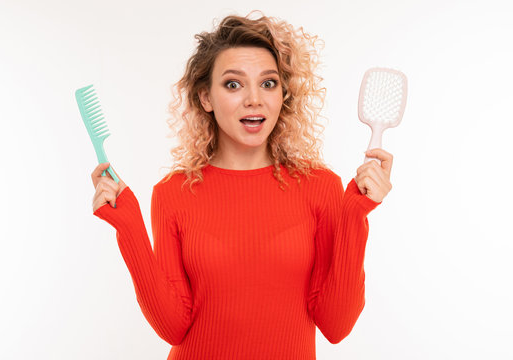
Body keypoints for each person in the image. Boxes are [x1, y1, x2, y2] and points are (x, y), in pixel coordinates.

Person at [91, 10, 393, 360]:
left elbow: (336, 326)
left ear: (283, 94)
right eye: (233, 84)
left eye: (268, 83)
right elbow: (172, 326)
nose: (254, 99)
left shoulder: (321, 188)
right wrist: (127, 224)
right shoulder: (172, 193)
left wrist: (355, 213)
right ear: (205, 98)